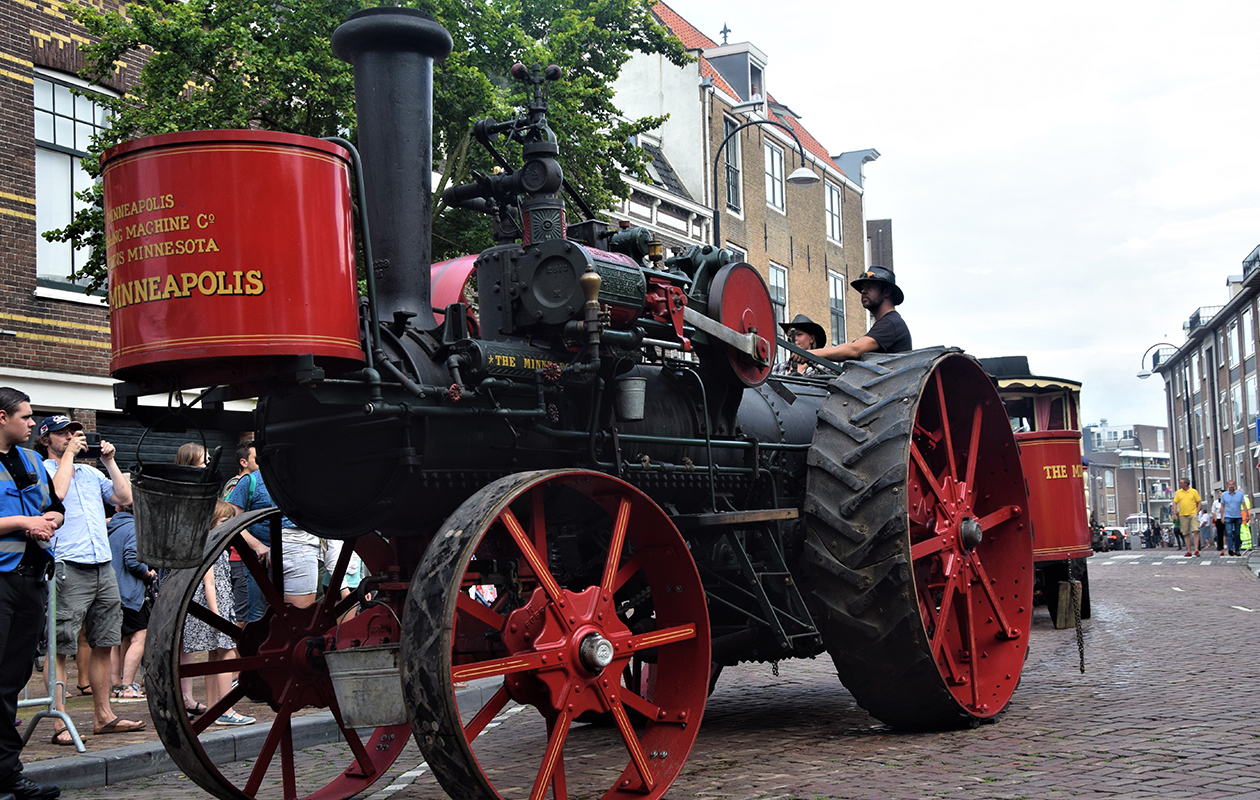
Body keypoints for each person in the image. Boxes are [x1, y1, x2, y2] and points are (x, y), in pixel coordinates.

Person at [41, 415, 144, 742]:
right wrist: (69, 455)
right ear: (46, 440)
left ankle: (104, 716)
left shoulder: (90, 472)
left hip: (103, 564)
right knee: (59, 646)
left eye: (73, 432)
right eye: (61, 434)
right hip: (67, 564)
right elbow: (55, 495)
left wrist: (110, 462)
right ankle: (60, 722)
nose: (70, 437)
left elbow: (124, 498)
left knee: (104, 641)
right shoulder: (42, 470)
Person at [0, 389, 63, 800]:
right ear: (1, 417)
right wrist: (27, 522)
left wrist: (48, 521)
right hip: (1, 581)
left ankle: (7, 775)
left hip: (32, 579)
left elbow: (57, 507)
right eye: (24, 417)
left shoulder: (33, 461)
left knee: (12, 680)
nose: (31, 424)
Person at [182, 502, 254, 726]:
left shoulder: (211, 544)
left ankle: (215, 708)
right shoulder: (211, 544)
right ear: (212, 524)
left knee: (216, 656)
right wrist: (215, 615)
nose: (229, 526)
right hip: (217, 606)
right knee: (227, 654)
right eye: (224, 522)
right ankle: (226, 708)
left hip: (219, 604)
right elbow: (209, 581)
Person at [808, 266, 911, 362]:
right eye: (862, 288)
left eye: (870, 287)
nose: (863, 291)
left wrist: (811, 354)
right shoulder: (887, 323)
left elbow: (855, 350)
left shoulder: (890, 323)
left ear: (887, 292)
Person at [106, 503, 152, 700]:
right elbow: (132, 561)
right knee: (139, 637)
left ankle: (117, 685)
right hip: (128, 592)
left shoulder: (109, 527)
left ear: (117, 507)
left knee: (118, 640)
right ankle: (127, 687)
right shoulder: (134, 527)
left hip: (110, 589)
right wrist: (148, 574)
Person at [221, 442, 258, 627]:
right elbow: (229, 519)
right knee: (243, 612)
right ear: (244, 462)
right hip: (240, 556)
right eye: (255, 458)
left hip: (249, 556)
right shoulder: (237, 486)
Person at [1173, 478, 1203, 557]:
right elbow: (1175, 503)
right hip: (1183, 515)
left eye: (1181, 483)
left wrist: (1197, 511)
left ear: (1186, 484)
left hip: (1193, 513)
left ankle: (1196, 550)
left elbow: (1199, 502)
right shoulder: (1179, 492)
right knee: (1186, 533)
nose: (1180, 484)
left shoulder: (1193, 491)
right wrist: (1175, 512)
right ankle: (1189, 550)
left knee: (1196, 530)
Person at [1220, 480, 1245, 556]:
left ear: (1234, 485)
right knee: (1229, 533)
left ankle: (1237, 549)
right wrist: (1222, 517)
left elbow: (1244, 504)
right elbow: (1222, 506)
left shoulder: (1240, 494)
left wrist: (1246, 514)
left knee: (1237, 534)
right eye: (1229, 484)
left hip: (1238, 516)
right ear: (1228, 486)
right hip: (1228, 516)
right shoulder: (1224, 495)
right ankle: (1230, 549)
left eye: (1232, 484)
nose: (1231, 486)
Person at [1210, 490, 1226, 554]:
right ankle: (1220, 547)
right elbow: (1213, 511)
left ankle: (1228, 545)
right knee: (1219, 533)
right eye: (1219, 494)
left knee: (1228, 532)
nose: (1220, 495)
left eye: (1221, 494)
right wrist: (1215, 518)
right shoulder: (1216, 502)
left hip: (1226, 518)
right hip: (1219, 519)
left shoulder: (1226, 502)